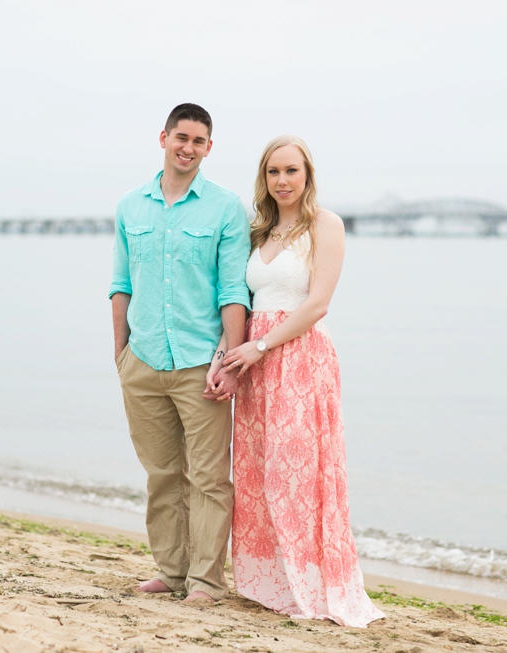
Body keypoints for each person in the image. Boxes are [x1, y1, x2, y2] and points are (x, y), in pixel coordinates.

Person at [221, 136, 384, 626]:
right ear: (264, 179)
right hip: (254, 364)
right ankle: (267, 582)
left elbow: (317, 304)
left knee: (299, 473)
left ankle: (312, 586)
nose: (283, 181)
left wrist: (261, 346)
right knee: (258, 471)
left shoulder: (325, 225)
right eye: (274, 172)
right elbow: (241, 298)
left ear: (307, 174)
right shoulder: (258, 232)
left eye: (291, 171)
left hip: (298, 357)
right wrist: (231, 353)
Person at [109, 103, 251, 602]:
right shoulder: (131, 206)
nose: (187, 148)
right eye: (180, 138)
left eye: (198, 141)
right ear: (164, 137)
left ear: (208, 148)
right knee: (162, 475)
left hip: (200, 366)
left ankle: (207, 581)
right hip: (142, 360)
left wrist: (231, 363)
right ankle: (172, 571)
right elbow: (120, 281)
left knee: (209, 478)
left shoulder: (226, 207)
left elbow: (234, 290)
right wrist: (120, 352)